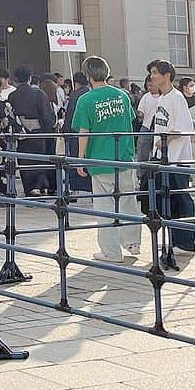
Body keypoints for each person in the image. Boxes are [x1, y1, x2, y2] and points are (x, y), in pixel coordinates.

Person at [72, 55, 140, 263]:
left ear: (88, 76)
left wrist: (80, 158)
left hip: (100, 159)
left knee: (105, 207)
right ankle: (133, 242)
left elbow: (84, 132)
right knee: (128, 201)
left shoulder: (85, 100)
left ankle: (111, 252)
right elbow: (131, 120)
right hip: (125, 156)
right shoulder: (122, 95)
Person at [147, 59, 195, 264]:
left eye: (156, 72)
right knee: (166, 200)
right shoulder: (162, 99)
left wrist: (165, 140)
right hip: (164, 158)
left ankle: (185, 242)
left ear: (167, 75)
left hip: (177, 157)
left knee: (180, 199)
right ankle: (174, 238)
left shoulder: (177, 98)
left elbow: (185, 127)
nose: (152, 76)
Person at [9, 66, 56, 195]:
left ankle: (29, 189)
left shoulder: (12, 96)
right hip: (38, 132)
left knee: (24, 162)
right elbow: (47, 116)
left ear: (16, 79)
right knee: (39, 161)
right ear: (30, 78)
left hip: (21, 134)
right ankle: (38, 187)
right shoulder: (39, 94)